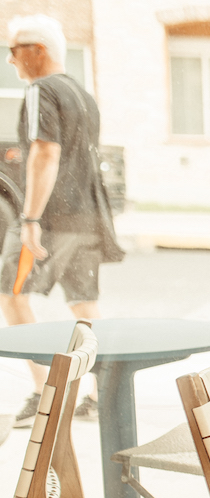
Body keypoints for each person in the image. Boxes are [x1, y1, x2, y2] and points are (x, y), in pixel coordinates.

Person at [1, 14, 123, 427]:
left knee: (11, 295)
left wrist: (31, 218)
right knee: (85, 306)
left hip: (51, 219)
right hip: (87, 217)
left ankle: (41, 393)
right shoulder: (81, 94)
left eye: (14, 52)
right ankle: (101, 395)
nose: (10, 61)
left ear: (37, 52)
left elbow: (45, 152)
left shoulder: (41, 90)